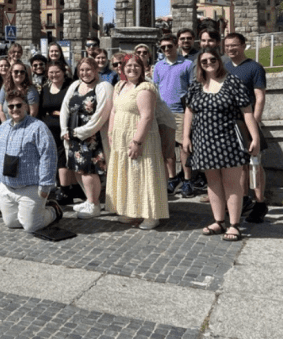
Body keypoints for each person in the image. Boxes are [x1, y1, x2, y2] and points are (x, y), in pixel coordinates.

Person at [183, 49, 260, 242]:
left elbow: (247, 112)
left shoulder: (233, 82)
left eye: (212, 59)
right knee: (213, 183)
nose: (209, 63)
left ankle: (234, 224)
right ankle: (219, 221)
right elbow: (189, 112)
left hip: (229, 141)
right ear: (199, 65)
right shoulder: (196, 86)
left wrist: (255, 137)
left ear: (219, 60)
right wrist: (186, 136)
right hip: (203, 141)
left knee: (232, 184)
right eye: (204, 61)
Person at [106, 53, 170, 230]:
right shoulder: (119, 85)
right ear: (122, 68)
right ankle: (129, 210)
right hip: (121, 137)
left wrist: (137, 142)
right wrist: (111, 133)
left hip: (141, 137)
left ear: (143, 68)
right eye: (128, 66)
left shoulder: (145, 88)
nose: (132, 68)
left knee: (143, 172)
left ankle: (150, 214)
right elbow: (114, 111)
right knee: (127, 173)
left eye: (136, 65)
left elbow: (147, 116)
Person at [0, 90, 62, 233]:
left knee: (31, 226)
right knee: (11, 223)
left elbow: (48, 155)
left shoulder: (38, 127)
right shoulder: (2, 128)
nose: (15, 109)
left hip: (31, 186)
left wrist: (45, 185)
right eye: (11, 107)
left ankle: (53, 210)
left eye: (18, 105)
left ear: (26, 106)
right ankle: (31, 212)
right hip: (7, 187)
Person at [59, 57, 113, 219]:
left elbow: (101, 115)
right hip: (73, 135)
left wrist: (81, 132)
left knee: (88, 171)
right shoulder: (75, 85)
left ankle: (95, 204)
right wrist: (64, 130)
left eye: (88, 69)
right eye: (82, 70)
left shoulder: (103, 87)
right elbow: (64, 108)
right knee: (77, 169)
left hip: (91, 137)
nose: (85, 73)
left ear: (96, 70)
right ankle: (89, 199)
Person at [224, 32, 269, 223]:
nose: (230, 49)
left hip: (247, 123)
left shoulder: (254, 67)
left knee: (254, 164)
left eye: (234, 45)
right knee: (238, 165)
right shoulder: (224, 68)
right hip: (228, 124)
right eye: (227, 46)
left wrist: (254, 124)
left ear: (243, 45)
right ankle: (243, 201)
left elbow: (259, 97)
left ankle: (260, 202)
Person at [152, 33, 195, 197]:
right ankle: (172, 178)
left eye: (169, 46)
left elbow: (192, 88)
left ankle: (187, 180)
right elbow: (155, 87)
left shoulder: (187, 64)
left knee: (184, 147)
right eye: (163, 47)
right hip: (163, 112)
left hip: (181, 111)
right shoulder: (158, 66)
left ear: (176, 45)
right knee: (167, 149)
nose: (167, 49)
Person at [38, 60, 78, 206]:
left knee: (63, 158)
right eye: (51, 72)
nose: (54, 75)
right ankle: (59, 187)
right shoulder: (45, 87)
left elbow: (73, 106)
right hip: (48, 128)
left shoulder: (69, 87)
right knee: (52, 158)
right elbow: (42, 108)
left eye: (57, 72)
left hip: (64, 128)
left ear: (63, 72)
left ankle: (65, 190)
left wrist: (61, 113)